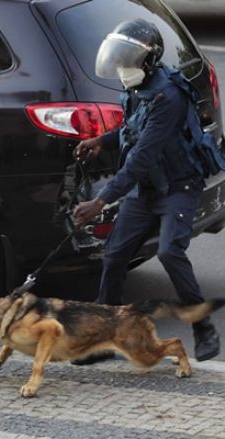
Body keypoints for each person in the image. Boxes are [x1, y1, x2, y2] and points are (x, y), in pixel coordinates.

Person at [72, 19, 221, 364]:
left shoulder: (168, 97)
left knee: (170, 252)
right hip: (146, 189)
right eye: (120, 60)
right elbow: (131, 130)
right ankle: (106, 339)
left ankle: (203, 328)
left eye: (129, 61)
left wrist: (100, 201)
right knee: (114, 257)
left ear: (149, 60)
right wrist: (101, 141)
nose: (122, 68)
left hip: (178, 187)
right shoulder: (138, 88)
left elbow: (141, 157)